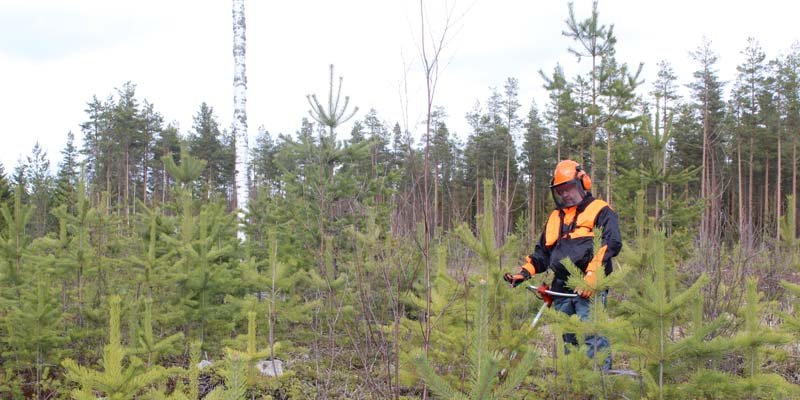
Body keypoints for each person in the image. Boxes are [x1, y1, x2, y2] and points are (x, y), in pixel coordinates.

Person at [504, 159, 622, 370]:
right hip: (561, 290)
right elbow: (542, 253)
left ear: (583, 183)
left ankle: (599, 380)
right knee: (568, 340)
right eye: (560, 190)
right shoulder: (555, 217)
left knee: (592, 336)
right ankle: (572, 383)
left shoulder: (600, 210)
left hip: (590, 288)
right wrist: (524, 273)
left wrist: (592, 277)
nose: (565, 194)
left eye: (568, 188)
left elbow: (611, 243)